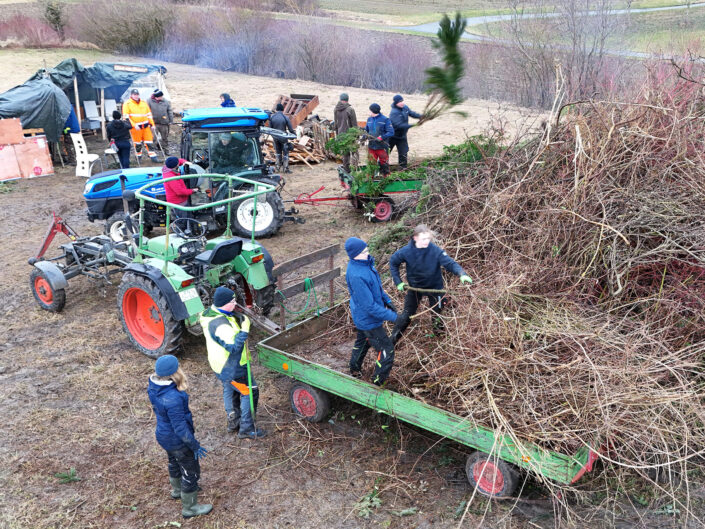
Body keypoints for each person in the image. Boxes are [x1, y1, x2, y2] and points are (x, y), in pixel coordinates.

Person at [147, 355, 212, 519]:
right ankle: (190, 508)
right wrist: (194, 445)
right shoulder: (173, 398)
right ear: (175, 372)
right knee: (191, 471)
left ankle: (177, 490)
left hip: (163, 435)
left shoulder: (154, 387)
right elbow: (180, 429)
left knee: (174, 462)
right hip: (178, 441)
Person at [200, 287, 266, 439]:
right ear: (224, 304)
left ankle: (233, 421)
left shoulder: (210, 314)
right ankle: (247, 429)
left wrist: (235, 316)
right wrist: (244, 330)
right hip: (232, 366)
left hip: (219, 364)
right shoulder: (221, 326)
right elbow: (234, 347)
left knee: (230, 388)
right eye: (233, 301)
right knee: (249, 391)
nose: (235, 303)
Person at [389, 225, 472, 343]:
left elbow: (450, 263)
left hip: (435, 288)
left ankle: (440, 341)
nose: (426, 241)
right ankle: (391, 342)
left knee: (437, 315)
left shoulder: (435, 250)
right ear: (415, 238)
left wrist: (462, 274)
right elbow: (393, 262)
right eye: (423, 239)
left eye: (428, 238)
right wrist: (398, 282)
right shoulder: (406, 251)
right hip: (415, 288)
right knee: (406, 315)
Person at [345, 237, 398, 386]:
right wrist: (394, 317)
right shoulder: (357, 275)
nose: (368, 253)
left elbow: (376, 288)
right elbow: (369, 306)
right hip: (368, 319)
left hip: (364, 317)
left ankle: (354, 369)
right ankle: (377, 382)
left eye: (367, 249)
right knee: (387, 350)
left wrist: (387, 301)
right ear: (355, 255)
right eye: (364, 251)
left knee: (363, 341)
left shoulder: (366, 264)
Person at [122, 89, 157, 161]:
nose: (136, 96)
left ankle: (153, 157)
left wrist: (152, 124)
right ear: (131, 95)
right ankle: (138, 156)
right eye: (134, 94)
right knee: (137, 143)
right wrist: (134, 125)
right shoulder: (127, 104)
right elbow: (126, 117)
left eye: (137, 94)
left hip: (146, 127)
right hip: (136, 128)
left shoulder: (144, 103)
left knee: (149, 142)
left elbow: (149, 115)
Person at [388, 94, 422, 169]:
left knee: (403, 153)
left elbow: (412, 113)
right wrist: (413, 125)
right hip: (392, 136)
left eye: (402, 101)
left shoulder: (405, 108)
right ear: (396, 103)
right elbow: (399, 125)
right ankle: (381, 169)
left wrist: (421, 116)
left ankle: (402, 169)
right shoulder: (394, 113)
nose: (402, 103)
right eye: (399, 102)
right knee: (386, 153)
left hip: (402, 136)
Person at [364, 103, 394, 177]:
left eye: (370, 110)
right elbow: (366, 130)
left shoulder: (385, 120)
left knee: (384, 165)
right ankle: (369, 180)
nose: (369, 112)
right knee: (371, 165)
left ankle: (386, 179)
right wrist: (364, 136)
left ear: (373, 111)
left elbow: (391, 132)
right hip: (371, 147)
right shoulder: (369, 119)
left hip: (382, 147)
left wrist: (382, 137)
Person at [333, 93, 358, 173]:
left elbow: (336, 124)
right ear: (347, 99)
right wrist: (356, 135)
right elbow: (354, 124)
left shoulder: (336, 109)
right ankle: (355, 170)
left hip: (341, 134)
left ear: (340, 99)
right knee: (354, 152)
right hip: (350, 134)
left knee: (345, 153)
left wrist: (338, 135)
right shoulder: (350, 109)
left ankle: (346, 170)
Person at [269, 103, 295, 173]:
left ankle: (277, 168)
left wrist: (273, 136)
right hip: (283, 138)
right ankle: (285, 169)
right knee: (285, 153)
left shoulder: (272, 117)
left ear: (276, 109)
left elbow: (270, 129)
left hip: (275, 137)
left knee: (278, 152)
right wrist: (294, 135)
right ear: (283, 109)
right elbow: (290, 129)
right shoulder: (285, 117)